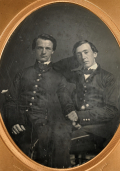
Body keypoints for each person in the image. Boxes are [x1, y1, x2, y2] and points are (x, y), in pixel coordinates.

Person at [3, 34, 78, 168]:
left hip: (46, 124)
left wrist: (71, 111)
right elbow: (11, 100)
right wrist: (14, 121)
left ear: (53, 51)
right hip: (22, 123)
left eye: (48, 48)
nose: (44, 52)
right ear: (34, 50)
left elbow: (65, 99)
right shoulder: (22, 73)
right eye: (40, 48)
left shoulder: (59, 77)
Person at [54, 40, 119, 154]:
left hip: (99, 129)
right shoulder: (76, 76)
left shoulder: (108, 78)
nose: (83, 57)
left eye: (86, 52)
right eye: (79, 54)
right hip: (77, 126)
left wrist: (79, 116)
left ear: (95, 54)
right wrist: (77, 59)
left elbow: (111, 110)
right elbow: (55, 67)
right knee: (51, 136)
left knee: (60, 141)